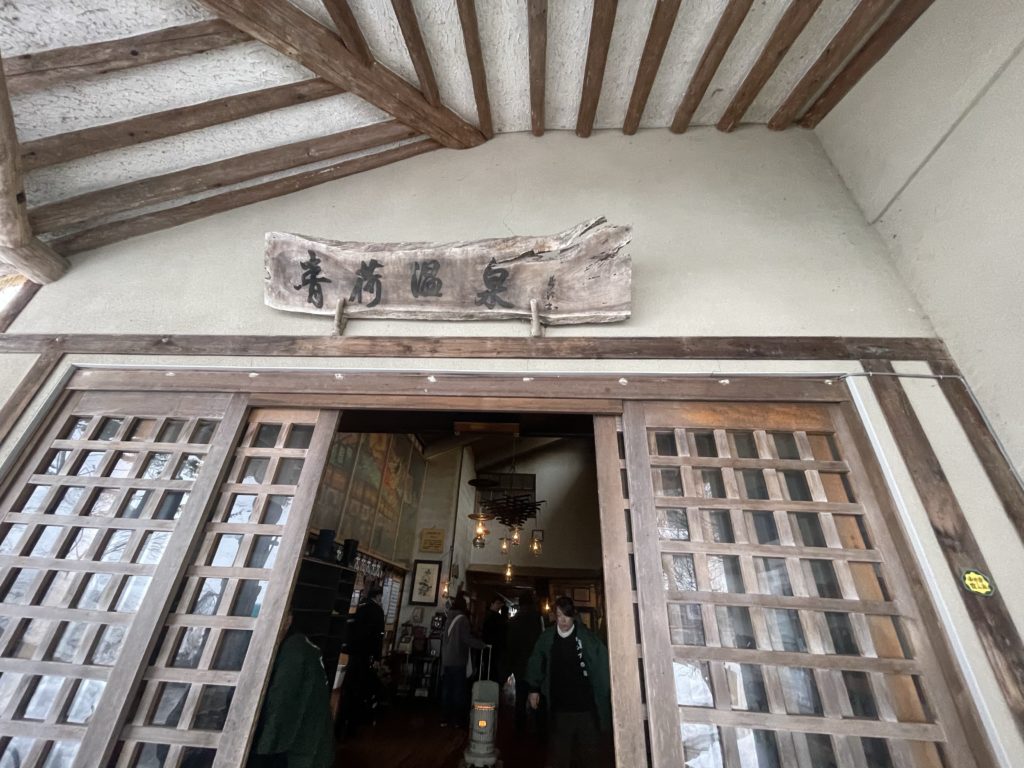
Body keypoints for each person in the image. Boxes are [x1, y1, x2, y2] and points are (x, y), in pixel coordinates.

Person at [525, 596, 611, 768]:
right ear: (554, 616)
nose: (563, 620)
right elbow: (537, 661)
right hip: (560, 706)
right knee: (559, 753)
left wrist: (606, 694)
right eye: (559, 615)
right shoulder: (547, 637)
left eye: (567, 615)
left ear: (574, 615)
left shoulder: (587, 638)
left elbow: (602, 666)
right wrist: (533, 688)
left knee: (590, 754)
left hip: (585, 706)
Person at [248, 613, 334, 768]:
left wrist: (258, 750)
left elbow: (280, 703)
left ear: (288, 619)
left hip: (300, 747)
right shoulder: (298, 644)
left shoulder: (294, 652)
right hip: (311, 741)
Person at [337, 583, 385, 739]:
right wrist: (377, 658)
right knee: (360, 690)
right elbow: (378, 637)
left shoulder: (360, 608)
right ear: (378, 596)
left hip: (353, 654)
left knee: (348, 690)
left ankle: (339, 725)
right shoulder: (377, 611)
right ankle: (352, 727)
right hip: (365, 656)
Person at [505, 590, 546, 733]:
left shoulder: (514, 621)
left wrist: (509, 667)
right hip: (535, 663)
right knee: (536, 695)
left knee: (520, 697)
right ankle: (538, 728)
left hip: (519, 664)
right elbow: (541, 641)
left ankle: (519, 728)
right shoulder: (538, 618)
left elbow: (510, 645)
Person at [440, 594, 484, 727]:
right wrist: (481, 645)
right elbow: (466, 639)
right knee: (459, 691)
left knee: (447, 689)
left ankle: (444, 718)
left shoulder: (449, 618)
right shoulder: (463, 619)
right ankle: (457, 720)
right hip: (458, 659)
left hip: (447, 659)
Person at [481, 595, 507, 684]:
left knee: (489, 669)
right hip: (494, 648)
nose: (499, 606)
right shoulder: (495, 617)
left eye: (500, 604)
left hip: (489, 647)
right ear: (492, 604)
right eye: (498, 603)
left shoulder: (486, 615)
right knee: (492, 670)